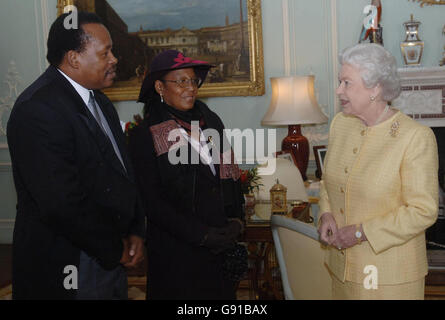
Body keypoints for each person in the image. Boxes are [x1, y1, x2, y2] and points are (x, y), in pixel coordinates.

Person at [7, 12, 145, 300]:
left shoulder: (100, 101)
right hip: (68, 263)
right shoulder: (38, 109)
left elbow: (121, 173)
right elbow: (60, 202)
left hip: (107, 256)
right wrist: (114, 248)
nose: (114, 59)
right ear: (74, 58)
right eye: (106, 52)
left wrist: (134, 230)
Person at [317, 43, 438, 300]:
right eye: (340, 81)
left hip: (390, 278)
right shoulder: (340, 125)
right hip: (342, 272)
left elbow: (423, 211)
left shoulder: (415, 137)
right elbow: (327, 181)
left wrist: (362, 232)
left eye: (347, 83)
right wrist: (326, 213)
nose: (339, 90)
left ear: (375, 88)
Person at [127, 50, 245, 300]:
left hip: (220, 251)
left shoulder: (211, 122)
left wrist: (236, 219)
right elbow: (153, 202)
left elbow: (229, 172)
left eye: (193, 81)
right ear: (159, 87)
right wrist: (201, 235)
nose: (190, 87)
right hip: (177, 257)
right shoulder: (145, 134)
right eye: (181, 81)